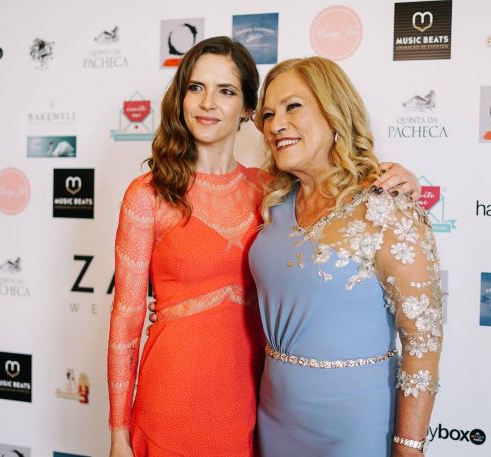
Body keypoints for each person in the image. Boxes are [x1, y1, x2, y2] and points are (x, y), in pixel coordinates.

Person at [108, 37, 421, 457]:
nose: (207, 103)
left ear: (248, 110)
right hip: (173, 394)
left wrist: (395, 177)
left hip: (256, 399)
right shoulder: (148, 194)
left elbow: (335, 189)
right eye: (196, 87)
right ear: (180, 97)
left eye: (226, 91)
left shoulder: (271, 190)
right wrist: (118, 433)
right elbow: (125, 322)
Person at [249, 57, 442, 456]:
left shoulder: (389, 207)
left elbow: (422, 343)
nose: (276, 124)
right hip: (274, 415)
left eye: (292, 106)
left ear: (334, 111)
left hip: (355, 425)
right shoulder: (271, 201)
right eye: (267, 114)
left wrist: (409, 447)